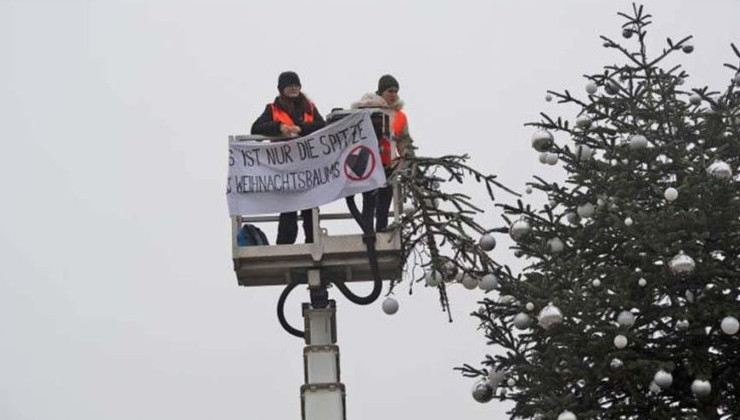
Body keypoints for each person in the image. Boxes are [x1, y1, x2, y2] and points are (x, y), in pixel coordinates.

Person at [251, 71, 326, 244]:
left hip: (308, 166)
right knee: (288, 209)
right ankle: (284, 245)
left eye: (296, 85)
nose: (293, 88)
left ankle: (313, 243)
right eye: (289, 85)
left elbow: (321, 126)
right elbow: (256, 129)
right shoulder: (272, 108)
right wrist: (280, 127)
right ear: (281, 89)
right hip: (285, 169)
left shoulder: (310, 107)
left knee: (310, 209)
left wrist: (301, 128)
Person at [350, 74, 411, 232]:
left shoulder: (400, 116)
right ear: (381, 92)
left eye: (396, 91)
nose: (394, 94)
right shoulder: (366, 109)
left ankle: (381, 231)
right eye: (390, 91)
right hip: (368, 162)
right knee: (369, 201)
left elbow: (404, 142)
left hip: (388, 165)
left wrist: (408, 163)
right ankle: (368, 233)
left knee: (385, 202)